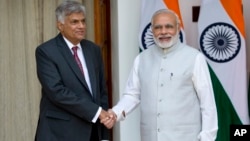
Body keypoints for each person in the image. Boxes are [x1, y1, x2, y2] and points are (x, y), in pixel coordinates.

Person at [105, 9, 218, 141]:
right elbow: (132, 94)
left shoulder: (195, 58)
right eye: (158, 27)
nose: (163, 32)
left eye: (169, 26)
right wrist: (116, 112)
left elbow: (207, 103)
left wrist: (207, 137)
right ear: (152, 30)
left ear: (178, 27)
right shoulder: (141, 59)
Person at [34, 1, 115, 141]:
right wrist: (97, 112)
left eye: (83, 21)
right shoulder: (46, 52)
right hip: (60, 133)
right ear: (60, 25)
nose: (81, 26)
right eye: (74, 22)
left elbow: (102, 91)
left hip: (93, 133)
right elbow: (57, 92)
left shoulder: (93, 50)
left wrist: (104, 133)